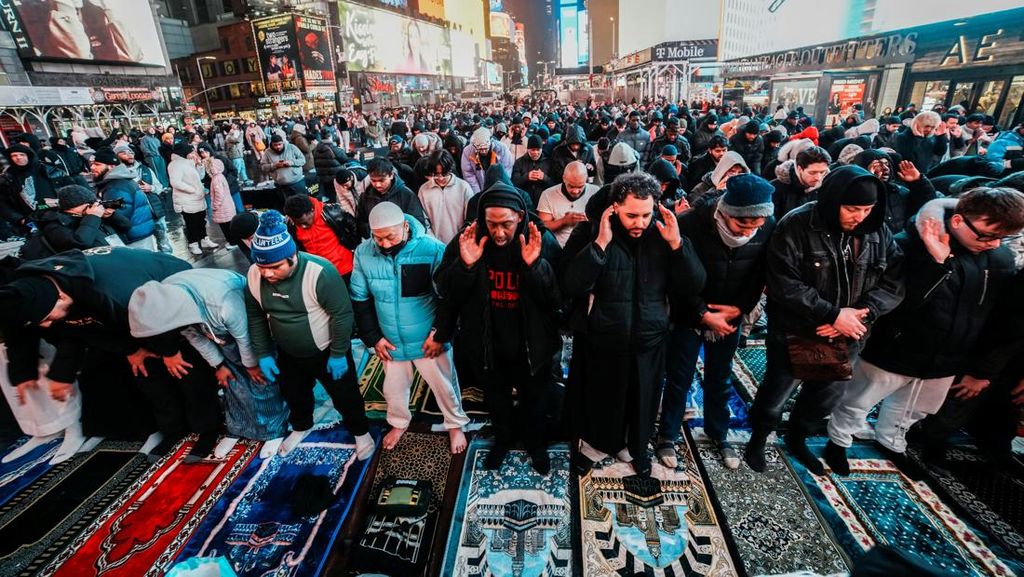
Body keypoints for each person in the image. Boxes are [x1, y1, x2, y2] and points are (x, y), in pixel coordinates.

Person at [825, 188, 1024, 474]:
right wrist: (936, 262)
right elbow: (898, 301)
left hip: (949, 356)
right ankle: (838, 440)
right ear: (958, 221)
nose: (993, 244)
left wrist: (981, 367)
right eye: (986, 236)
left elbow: (996, 317)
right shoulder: (910, 244)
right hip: (896, 348)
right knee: (859, 399)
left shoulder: (1000, 259)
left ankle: (892, 441)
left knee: (914, 407)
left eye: (1002, 238)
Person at [745, 165, 905, 475]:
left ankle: (798, 437)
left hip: (851, 332)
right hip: (798, 329)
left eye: (867, 208)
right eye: (852, 208)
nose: (859, 216)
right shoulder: (797, 224)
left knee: (824, 395)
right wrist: (831, 314)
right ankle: (759, 437)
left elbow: (894, 281)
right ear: (833, 201)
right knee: (776, 393)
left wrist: (861, 313)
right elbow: (783, 283)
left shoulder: (877, 231)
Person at [562, 172, 706, 477]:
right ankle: (598, 444)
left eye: (645, 214)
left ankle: (636, 447)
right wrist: (600, 246)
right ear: (615, 208)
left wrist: (678, 244)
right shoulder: (591, 233)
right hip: (603, 334)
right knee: (603, 394)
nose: (639, 222)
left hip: (650, 336)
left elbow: (694, 283)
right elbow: (571, 284)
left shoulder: (664, 234)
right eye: (631, 215)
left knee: (642, 398)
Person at [0, 248, 196, 459]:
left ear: (62, 297)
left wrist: (168, 351)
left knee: (175, 366)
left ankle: (196, 425)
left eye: (47, 317)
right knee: (131, 368)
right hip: (126, 309)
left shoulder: (108, 292)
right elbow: (77, 331)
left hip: (170, 285)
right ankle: (166, 428)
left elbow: (152, 316)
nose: (47, 326)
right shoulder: (36, 287)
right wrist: (130, 349)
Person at [434, 182, 562, 474]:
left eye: (506, 224)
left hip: (532, 343)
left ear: (520, 216)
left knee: (535, 399)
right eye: (492, 224)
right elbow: (446, 290)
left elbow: (557, 297)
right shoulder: (468, 239)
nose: (500, 232)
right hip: (487, 343)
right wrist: (465, 266)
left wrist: (534, 266)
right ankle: (503, 440)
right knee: (497, 399)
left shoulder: (540, 238)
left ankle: (535, 443)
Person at [658, 174, 776, 469]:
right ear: (725, 213)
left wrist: (737, 309)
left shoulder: (766, 229)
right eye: (742, 224)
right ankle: (667, 435)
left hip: (729, 317)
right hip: (689, 314)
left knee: (720, 377)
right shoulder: (690, 224)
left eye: (756, 224)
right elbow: (674, 277)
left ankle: (718, 431)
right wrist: (702, 313)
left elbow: (758, 276)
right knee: (679, 377)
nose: (749, 230)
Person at [244, 210, 374, 458]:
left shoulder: (320, 272)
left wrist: (337, 353)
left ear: (292, 257)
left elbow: (343, 314)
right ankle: (301, 426)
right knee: (294, 393)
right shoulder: (254, 275)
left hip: (326, 349)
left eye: (274, 267)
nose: (267, 273)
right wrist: (263, 353)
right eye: (262, 267)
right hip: (288, 351)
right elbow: (255, 316)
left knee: (344, 394)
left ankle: (361, 432)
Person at [127, 268, 290, 459]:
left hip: (246, 330)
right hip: (217, 332)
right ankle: (239, 428)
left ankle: (274, 430)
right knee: (230, 381)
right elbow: (195, 337)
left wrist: (251, 365)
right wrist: (219, 365)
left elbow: (244, 337)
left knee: (260, 380)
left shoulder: (224, 304)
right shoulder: (169, 305)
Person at [350, 203, 470, 454]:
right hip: (390, 340)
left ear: (405, 226)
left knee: (445, 386)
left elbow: (449, 299)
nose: (383, 243)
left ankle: (455, 424)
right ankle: (398, 422)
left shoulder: (432, 249)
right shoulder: (363, 252)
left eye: (390, 236)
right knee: (393, 390)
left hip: (429, 339)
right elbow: (360, 299)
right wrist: (373, 338)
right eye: (378, 237)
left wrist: (440, 333)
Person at [851, 150, 936, 234]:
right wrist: (870, 182)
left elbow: (927, 207)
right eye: (878, 165)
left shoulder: (899, 191)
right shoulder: (855, 196)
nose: (885, 168)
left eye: (887, 164)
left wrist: (918, 182)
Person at [89, 147, 157, 251]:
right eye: (92, 164)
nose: (92, 167)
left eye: (97, 164)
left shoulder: (116, 187)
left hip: (133, 239)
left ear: (111, 166)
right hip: (139, 234)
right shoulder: (120, 182)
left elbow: (120, 218)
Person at [113, 142, 172, 254]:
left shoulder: (145, 169)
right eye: (123, 153)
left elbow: (159, 187)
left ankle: (169, 264)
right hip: (138, 218)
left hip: (155, 212)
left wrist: (151, 187)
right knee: (145, 248)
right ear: (117, 156)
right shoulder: (117, 175)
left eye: (130, 152)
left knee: (164, 243)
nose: (129, 154)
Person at [282, 194, 357, 280]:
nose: (303, 227)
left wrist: (352, 244)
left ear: (312, 210)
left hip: (344, 268)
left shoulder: (332, 212)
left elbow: (354, 226)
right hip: (318, 273)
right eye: (298, 224)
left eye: (304, 223)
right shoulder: (290, 224)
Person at [0, 144, 71, 234]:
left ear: (28, 155)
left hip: (60, 215)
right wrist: (20, 219)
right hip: (31, 221)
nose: (18, 158)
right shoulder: (7, 178)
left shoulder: (50, 170)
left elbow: (71, 190)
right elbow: (3, 204)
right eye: (14, 155)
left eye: (22, 155)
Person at [356, 158, 426, 238]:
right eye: (373, 181)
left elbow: (418, 224)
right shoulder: (365, 197)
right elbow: (361, 223)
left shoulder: (407, 195)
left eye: (381, 180)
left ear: (391, 175)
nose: (377, 185)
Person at [537, 161, 600, 247]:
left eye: (580, 186)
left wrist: (590, 221)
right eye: (571, 186)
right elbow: (542, 227)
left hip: (587, 249)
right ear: (564, 178)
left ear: (586, 179)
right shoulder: (548, 194)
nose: (575, 191)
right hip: (557, 249)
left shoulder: (596, 192)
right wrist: (564, 221)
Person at [417, 150, 474, 245]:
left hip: (461, 241)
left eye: (444, 174)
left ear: (451, 169)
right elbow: (424, 220)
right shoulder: (423, 190)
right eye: (436, 174)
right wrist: (433, 240)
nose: (440, 178)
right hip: (435, 244)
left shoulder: (463, 187)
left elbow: (470, 219)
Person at [169, 142, 216, 256]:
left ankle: (204, 239)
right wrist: (192, 189)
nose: (193, 154)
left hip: (197, 198)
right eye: (191, 152)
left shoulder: (189, 162)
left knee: (201, 220)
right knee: (191, 223)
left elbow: (199, 177)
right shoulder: (175, 165)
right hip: (187, 200)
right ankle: (193, 243)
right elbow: (175, 182)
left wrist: (199, 165)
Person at [771, 145, 831, 220]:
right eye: (812, 173)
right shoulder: (775, 189)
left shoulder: (827, 187)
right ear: (799, 169)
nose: (818, 178)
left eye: (822, 172)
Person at [892, 111, 949, 175]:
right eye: (927, 126)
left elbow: (940, 152)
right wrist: (918, 139)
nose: (929, 130)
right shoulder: (902, 137)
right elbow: (911, 159)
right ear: (918, 124)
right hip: (907, 175)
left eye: (933, 127)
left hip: (924, 175)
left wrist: (941, 137)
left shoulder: (930, 137)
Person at [461, 127, 515, 194]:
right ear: (474, 145)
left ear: (490, 142)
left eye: (485, 148)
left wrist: (499, 190)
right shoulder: (467, 151)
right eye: (480, 149)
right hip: (479, 186)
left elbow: (506, 170)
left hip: (499, 186)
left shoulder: (502, 149)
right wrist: (478, 194)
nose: (483, 151)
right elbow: (469, 174)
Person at [260, 134, 308, 203]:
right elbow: (263, 167)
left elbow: (303, 160)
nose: (278, 147)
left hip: (297, 181)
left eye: (279, 144)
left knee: (303, 203)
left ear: (283, 142)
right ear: (272, 144)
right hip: (282, 185)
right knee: (289, 206)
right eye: (275, 145)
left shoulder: (291, 147)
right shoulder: (267, 152)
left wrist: (291, 162)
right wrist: (274, 165)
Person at [511, 134, 554, 207]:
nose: (535, 153)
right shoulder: (519, 162)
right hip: (524, 202)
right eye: (533, 150)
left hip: (544, 203)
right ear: (528, 149)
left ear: (541, 149)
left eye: (538, 149)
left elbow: (555, 185)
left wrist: (544, 177)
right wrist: (526, 177)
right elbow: (514, 183)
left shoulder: (548, 162)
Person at [313, 130, 350, 202]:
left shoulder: (316, 149)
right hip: (335, 176)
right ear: (330, 137)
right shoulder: (333, 148)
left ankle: (330, 208)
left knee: (329, 195)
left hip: (323, 176)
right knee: (337, 195)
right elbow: (345, 159)